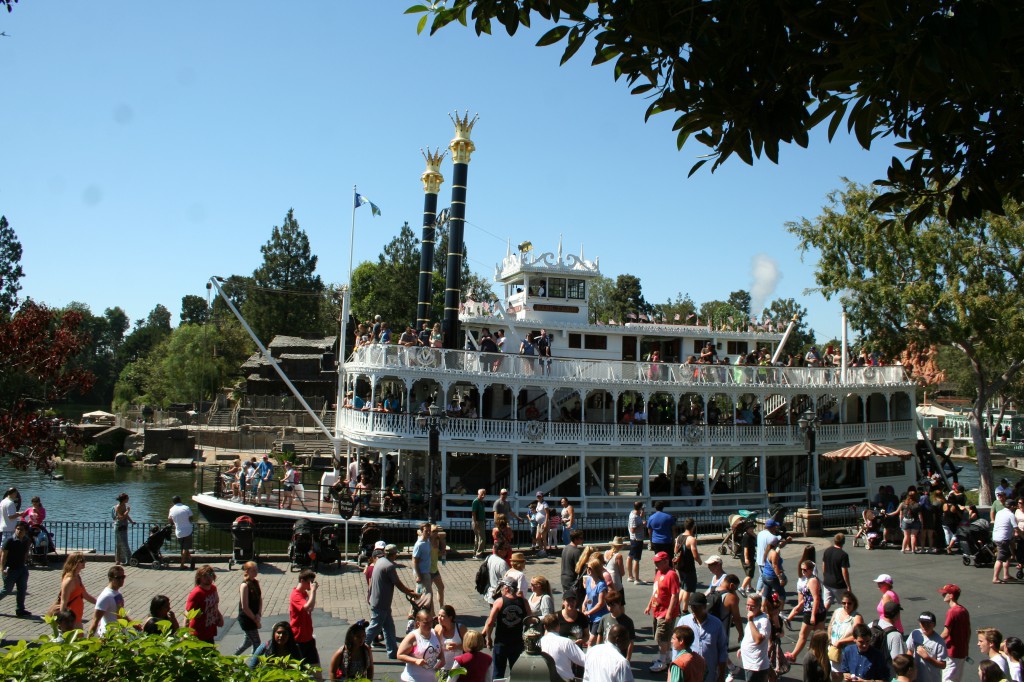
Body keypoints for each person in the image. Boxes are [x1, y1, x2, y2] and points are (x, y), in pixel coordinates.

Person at [365, 544, 420, 660]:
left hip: (378, 600)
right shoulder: (389, 566)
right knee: (374, 627)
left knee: (389, 627)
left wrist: (409, 591)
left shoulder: (380, 561)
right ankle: (360, 647)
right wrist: (411, 593)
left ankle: (393, 652)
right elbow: (398, 583)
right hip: (381, 602)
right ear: (394, 554)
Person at [482, 578, 530, 677]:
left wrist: (488, 638)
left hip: (501, 642)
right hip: (517, 642)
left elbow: (490, 622)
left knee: (498, 672)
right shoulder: (523, 602)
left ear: (507, 589)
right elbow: (530, 619)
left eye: (502, 588)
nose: (501, 590)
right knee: (516, 672)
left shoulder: (499, 602)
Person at [677, 592, 728, 682]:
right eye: (692, 607)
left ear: (705, 606)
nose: (694, 610)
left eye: (697, 607)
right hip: (689, 672)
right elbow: (676, 648)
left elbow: (722, 649)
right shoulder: (684, 622)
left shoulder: (716, 624)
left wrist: (722, 674)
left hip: (710, 674)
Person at [646, 550, 681, 673]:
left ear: (666, 561)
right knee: (662, 636)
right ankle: (666, 657)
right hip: (657, 610)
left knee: (661, 637)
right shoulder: (659, 572)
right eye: (655, 562)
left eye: (659, 562)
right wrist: (649, 605)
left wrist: (669, 613)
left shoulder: (671, 575)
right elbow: (655, 591)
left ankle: (662, 661)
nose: (656, 565)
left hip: (665, 612)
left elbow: (675, 595)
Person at [785, 560, 826, 661]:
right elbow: (808, 598)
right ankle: (820, 655)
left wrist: (812, 615)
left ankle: (793, 655)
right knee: (819, 636)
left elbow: (816, 598)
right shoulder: (809, 579)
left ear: (811, 570)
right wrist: (798, 607)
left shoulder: (812, 581)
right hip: (818, 611)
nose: (803, 572)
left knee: (803, 635)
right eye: (802, 569)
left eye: (805, 570)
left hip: (812, 611)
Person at [290, 568, 322, 681]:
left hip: (308, 637)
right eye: (310, 582)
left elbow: (311, 607)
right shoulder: (296, 595)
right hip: (299, 639)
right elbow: (306, 607)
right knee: (301, 674)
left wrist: (313, 592)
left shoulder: (305, 593)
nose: (311, 585)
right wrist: (313, 591)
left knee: (317, 670)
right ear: (302, 581)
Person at [540, 613, 585, 682]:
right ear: (558, 626)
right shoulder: (566, 642)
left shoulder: (539, 643)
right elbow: (584, 661)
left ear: (545, 627)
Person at [939, 584, 971, 682]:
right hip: (961, 652)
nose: (942, 595)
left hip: (952, 653)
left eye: (945, 593)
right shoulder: (963, 610)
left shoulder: (952, 612)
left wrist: (933, 640)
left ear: (951, 596)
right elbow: (968, 631)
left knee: (948, 679)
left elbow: (946, 633)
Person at [829, 592, 865, 675]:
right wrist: (829, 638)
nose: (846, 605)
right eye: (844, 603)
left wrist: (840, 642)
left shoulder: (856, 617)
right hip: (834, 649)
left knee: (847, 675)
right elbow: (830, 625)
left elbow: (857, 636)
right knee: (835, 675)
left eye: (849, 603)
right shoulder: (837, 612)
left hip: (847, 651)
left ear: (854, 604)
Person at [0, 521, 32, 617]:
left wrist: (25, 564)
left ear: (25, 531)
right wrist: (2, 568)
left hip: (22, 568)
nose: (19, 531)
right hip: (10, 569)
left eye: (21, 529)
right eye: (17, 529)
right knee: (7, 590)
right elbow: (3, 555)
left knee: (22, 589)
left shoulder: (26, 540)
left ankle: (20, 609)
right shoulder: (10, 541)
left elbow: (26, 552)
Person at [186, 564, 223, 644]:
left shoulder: (213, 588)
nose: (208, 578)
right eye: (205, 575)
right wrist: (185, 633)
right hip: (198, 633)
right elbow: (188, 613)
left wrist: (219, 616)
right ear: (199, 577)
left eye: (210, 574)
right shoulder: (196, 593)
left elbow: (214, 605)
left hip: (210, 629)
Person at [58, 552, 96, 630]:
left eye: (84, 560)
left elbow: (85, 595)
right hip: (71, 620)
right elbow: (63, 602)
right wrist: (63, 622)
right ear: (75, 562)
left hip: (77, 617)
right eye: (81, 561)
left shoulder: (77, 577)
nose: (84, 562)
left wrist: (100, 603)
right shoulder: (69, 580)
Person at [908, 612, 948, 682]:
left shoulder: (939, 642)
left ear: (934, 625)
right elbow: (910, 651)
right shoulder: (915, 634)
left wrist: (927, 658)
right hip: (915, 679)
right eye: (922, 623)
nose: (925, 626)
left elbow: (942, 665)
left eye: (928, 624)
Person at [88, 565, 127, 638]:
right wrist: (87, 642)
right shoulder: (105, 597)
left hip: (119, 635)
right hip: (108, 636)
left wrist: (134, 624)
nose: (122, 580)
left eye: (123, 577)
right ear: (111, 578)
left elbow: (121, 614)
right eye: (118, 578)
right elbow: (95, 621)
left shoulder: (117, 593)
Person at [233, 561, 263, 655]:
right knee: (257, 643)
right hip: (247, 618)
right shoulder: (244, 585)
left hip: (254, 616)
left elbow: (260, 599)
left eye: (256, 570)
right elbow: (245, 607)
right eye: (253, 570)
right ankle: (254, 664)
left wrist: (259, 613)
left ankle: (233, 657)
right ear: (247, 571)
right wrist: (255, 619)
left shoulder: (255, 582)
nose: (255, 572)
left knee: (248, 642)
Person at [740, 593, 771, 682]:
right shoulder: (754, 617)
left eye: (752, 606)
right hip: (749, 663)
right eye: (747, 605)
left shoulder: (763, 621)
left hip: (756, 666)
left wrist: (750, 621)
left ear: (759, 606)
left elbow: (758, 640)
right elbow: (749, 637)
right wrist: (742, 648)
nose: (749, 608)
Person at [675, 518, 702, 614]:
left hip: (680, 566)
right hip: (688, 566)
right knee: (688, 589)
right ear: (693, 527)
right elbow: (695, 554)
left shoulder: (679, 537)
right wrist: (700, 561)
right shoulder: (691, 539)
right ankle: (685, 609)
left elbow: (675, 551)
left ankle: (676, 605)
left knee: (683, 586)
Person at [598, 589, 636, 659]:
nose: (610, 608)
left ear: (619, 604)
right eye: (608, 605)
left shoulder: (627, 621)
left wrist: (628, 658)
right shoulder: (604, 618)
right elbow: (600, 636)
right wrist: (598, 652)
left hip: (620, 655)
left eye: (613, 606)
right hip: (606, 654)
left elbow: (631, 642)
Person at [582, 557, 610, 645]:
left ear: (595, 569)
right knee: (595, 641)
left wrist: (589, 612)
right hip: (591, 616)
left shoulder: (601, 584)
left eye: (590, 568)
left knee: (591, 641)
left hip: (599, 616)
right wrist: (584, 603)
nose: (588, 570)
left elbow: (601, 603)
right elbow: (588, 593)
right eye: (587, 568)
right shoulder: (589, 580)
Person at [991, 492, 1016, 583]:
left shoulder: (1000, 513)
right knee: (1000, 559)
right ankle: (995, 578)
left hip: (997, 536)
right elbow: (1016, 527)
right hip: (1003, 539)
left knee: (1007, 556)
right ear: (1012, 507)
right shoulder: (1011, 514)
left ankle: (1006, 575)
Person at [822, 532, 852, 608]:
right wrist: (848, 585)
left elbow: (824, 566)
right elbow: (844, 571)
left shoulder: (827, 551)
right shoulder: (843, 555)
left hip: (827, 582)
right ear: (843, 542)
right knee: (845, 604)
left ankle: (821, 619)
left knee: (827, 603)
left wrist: (825, 577)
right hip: (838, 584)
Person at [435, 604, 467, 668]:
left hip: (458, 666)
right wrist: (440, 633)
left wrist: (457, 646)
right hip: (442, 667)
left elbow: (469, 646)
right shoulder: (437, 628)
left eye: (442, 616)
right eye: (439, 615)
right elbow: (434, 647)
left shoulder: (460, 628)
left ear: (450, 617)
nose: (439, 618)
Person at [168, 495, 195, 571]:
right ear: (180, 500)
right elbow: (191, 518)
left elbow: (170, 519)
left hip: (178, 531)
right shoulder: (186, 507)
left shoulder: (172, 509)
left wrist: (174, 523)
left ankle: (191, 560)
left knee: (184, 548)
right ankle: (182, 565)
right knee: (185, 549)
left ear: (173, 502)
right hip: (188, 530)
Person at [412, 523, 433, 607]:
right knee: (428, 594)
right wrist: (419, 575)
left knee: (419, 593)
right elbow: (414, 561)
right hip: (422, 572)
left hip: (426, 571)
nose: (428, 532)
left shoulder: (427, 541)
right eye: (426, 531)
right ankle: (427, 614)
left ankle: (413, 612)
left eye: (429, 531)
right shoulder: (419, 545)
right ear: (421, 531)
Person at [112, 493, 135, 566]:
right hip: (119, 527)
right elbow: (121, 517)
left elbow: (126, 515)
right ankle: (127, 560)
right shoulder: (118, 507)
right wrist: (128, 511)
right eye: (127, 498)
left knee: (122, 543)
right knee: (122, 543)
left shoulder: (124, 505)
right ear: (124, 499)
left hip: (124, 526)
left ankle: (120, 560)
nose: (128, 499)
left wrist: (131, 521)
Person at [562, 529, 585, 601]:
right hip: (572, 579)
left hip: (564, 578)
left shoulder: (565, 548)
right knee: (574, 601)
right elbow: (579, 567)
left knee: (566, 599)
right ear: (575, 539)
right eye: (581, 538)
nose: (582, 540)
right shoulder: (576, 551)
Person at [627, 501, 646, 584]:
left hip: (633, 539)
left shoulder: (634, 514)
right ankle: (637, 579)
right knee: (636, 559)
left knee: (630, 556)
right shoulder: (634, 517)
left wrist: (641, 515)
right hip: (637, 539)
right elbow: (633, 530)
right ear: (640, 508)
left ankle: (630, 576)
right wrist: (643, 524)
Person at [471, 489, 488, 558]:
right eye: (482, 494)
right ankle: (479, 553)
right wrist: (475, 522)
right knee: (482, 538)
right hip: (477, 521)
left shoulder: (482, 502)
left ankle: (475, 553)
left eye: (484, 494)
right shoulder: (476, 502)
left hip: (481, 521)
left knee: (477, 538)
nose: (483, 496)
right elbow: (474, 513)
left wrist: (484, 519)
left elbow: (482, 512)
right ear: (478, 494)